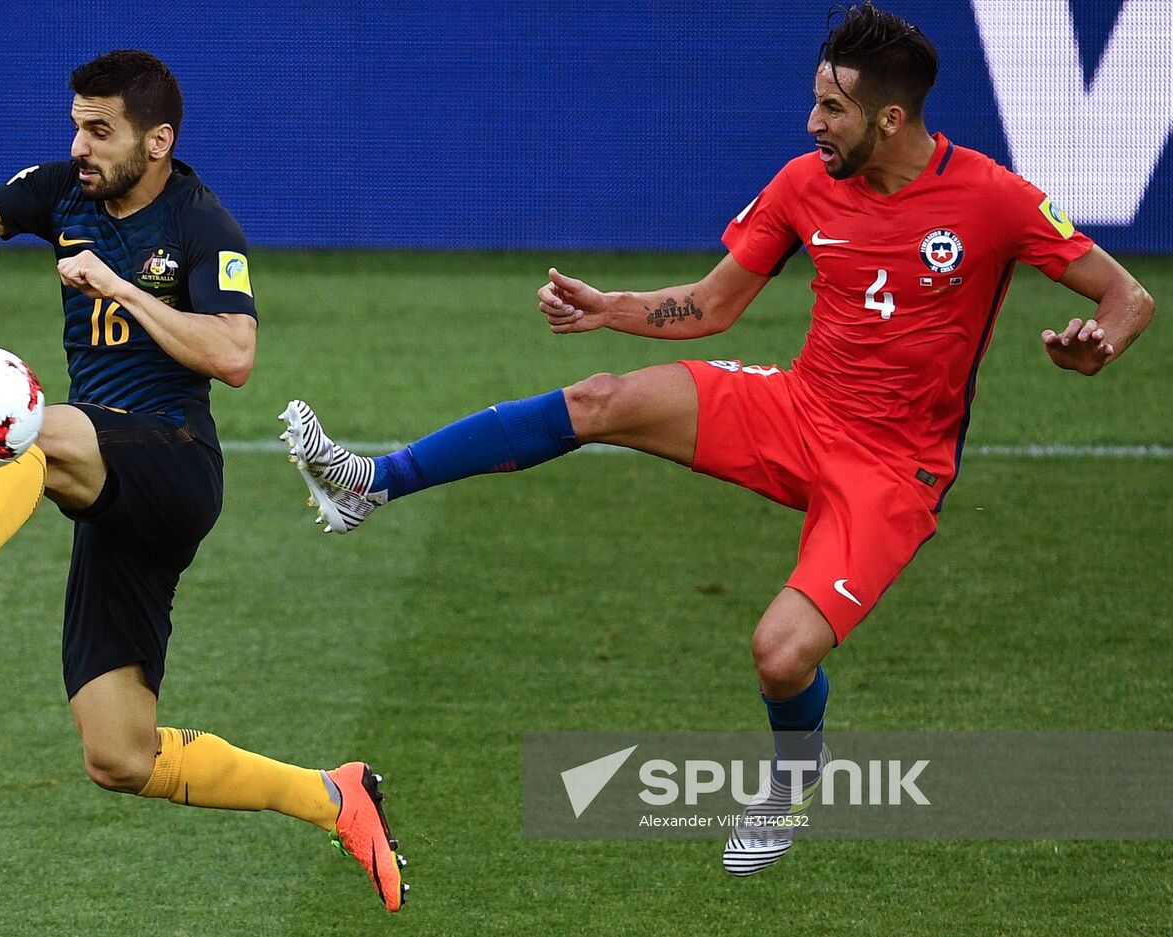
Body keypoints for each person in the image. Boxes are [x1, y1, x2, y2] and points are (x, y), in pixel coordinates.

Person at [279, 2, 1153, 877]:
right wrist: (608, 309)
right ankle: (370, 482)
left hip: (893, 470)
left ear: (890, 119)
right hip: (799, 410)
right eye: (814, 101)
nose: (812, 122)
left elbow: (1128, 298)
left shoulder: (994, 198)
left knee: (779, 654)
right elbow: (716, 302)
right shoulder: (804, 184)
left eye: (832, 109)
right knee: (600, 397)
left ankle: (794, 774)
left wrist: (1096, 346)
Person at [0, 49, 406, 911]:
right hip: (106, 495)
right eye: (75, 125)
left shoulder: (202, 224)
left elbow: (234, 356)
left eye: (99, 130)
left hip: (174, 463)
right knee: (119, 755)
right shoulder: (63, 194)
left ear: (156, 141)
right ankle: (333, 795)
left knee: (28, 426)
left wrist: (119, 286)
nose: (79, 145)